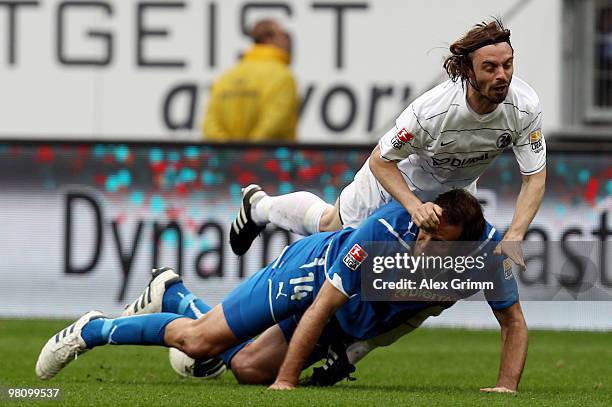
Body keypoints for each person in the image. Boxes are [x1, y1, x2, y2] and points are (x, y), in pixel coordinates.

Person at [36, 190, 527, 393]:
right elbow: (326, 300)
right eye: (420, 231)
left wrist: (505, 390)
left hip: (342, 319)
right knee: (198, 344)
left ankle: (176, 296)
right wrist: (287, 382)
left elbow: (513, 323)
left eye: (433, 242)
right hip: (308, 278)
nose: (420, 244)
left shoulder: (486, 260)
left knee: (245, 369)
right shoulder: (381, 234)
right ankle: (94, 329)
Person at [229, 18, 546, 268]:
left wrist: (515, 234)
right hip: (397, 182)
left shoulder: (525, 106)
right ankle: (260, 207)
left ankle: (350, 350)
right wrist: (413, 206)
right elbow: (382, 159)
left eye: (508, 64)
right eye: (490, 68)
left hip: (455, 196)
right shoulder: (433, 111)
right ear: (468, 71)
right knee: (334, 231)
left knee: (436, 281)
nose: (502, 75)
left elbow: (534, 176)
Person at [202, 19, 298, 142]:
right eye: (285, 35)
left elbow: (209, 125)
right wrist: (249, 152)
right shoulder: (283, 76)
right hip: (270, 158)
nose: (288, 41)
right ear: (269, 38)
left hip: (227, 159)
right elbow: (276, 122)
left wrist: (230, 152)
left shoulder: (226, 77)